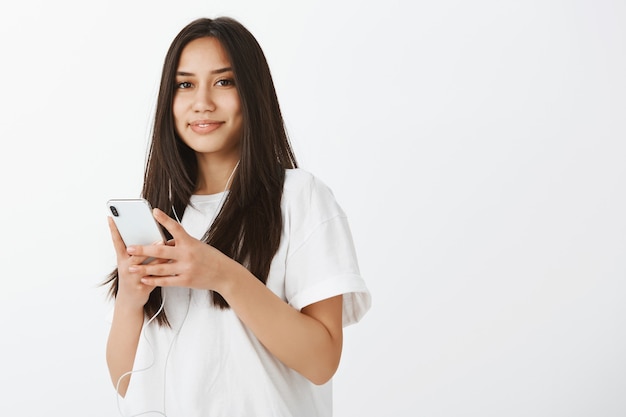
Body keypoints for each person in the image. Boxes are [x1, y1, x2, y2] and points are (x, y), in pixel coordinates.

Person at [104, 16, 371, 417]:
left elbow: (322, 362)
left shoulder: (299, 197)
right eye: (185, 84)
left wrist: (224, 275)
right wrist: (130, 296)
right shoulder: (162, 213)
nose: (202, 102)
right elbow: (123, 380)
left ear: (253, 92)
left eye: (224, 82)